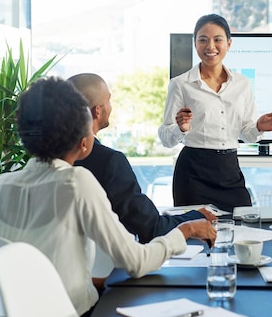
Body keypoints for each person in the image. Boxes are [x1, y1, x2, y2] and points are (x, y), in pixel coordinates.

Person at [0, 77, 216, 317]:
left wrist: (96, 281)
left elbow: (41, 271)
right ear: (83, 142)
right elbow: (136, 262)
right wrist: (187, 230)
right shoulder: (76, 182)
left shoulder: (2, 187)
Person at [158, 14, 272, 212]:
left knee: (243, 227)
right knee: (196, 235)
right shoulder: (180, 84)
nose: (210, 46)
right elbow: (166, 138)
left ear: (229, 43)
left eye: (217, 39)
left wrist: (258, 127)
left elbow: (245, 132)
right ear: (195, 44)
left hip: (229, 170)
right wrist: (180, 128)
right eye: (203, 39)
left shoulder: (242, 84)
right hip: (193, 173)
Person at [68, 73, 216, 244]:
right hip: (112, 268)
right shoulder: (109, 161)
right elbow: (152, 228)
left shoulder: (45, 160)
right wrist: (198, 216)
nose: (111, 106)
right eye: (109, 100)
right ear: (97, 111)